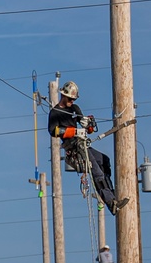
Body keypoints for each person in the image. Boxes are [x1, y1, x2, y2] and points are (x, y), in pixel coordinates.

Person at [47, 80, 122, 214]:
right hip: (73, 147)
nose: (71, 101)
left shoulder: (75, 109)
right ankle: (111, 203)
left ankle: (112, 194)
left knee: (104, 160)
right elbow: (53, 131)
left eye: (73, 99)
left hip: (83, 144)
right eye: (70, 99)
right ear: (63, 96)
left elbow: (89, 129)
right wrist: (73, 131)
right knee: (97, 172)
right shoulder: (55, 112)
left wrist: (88, 125)